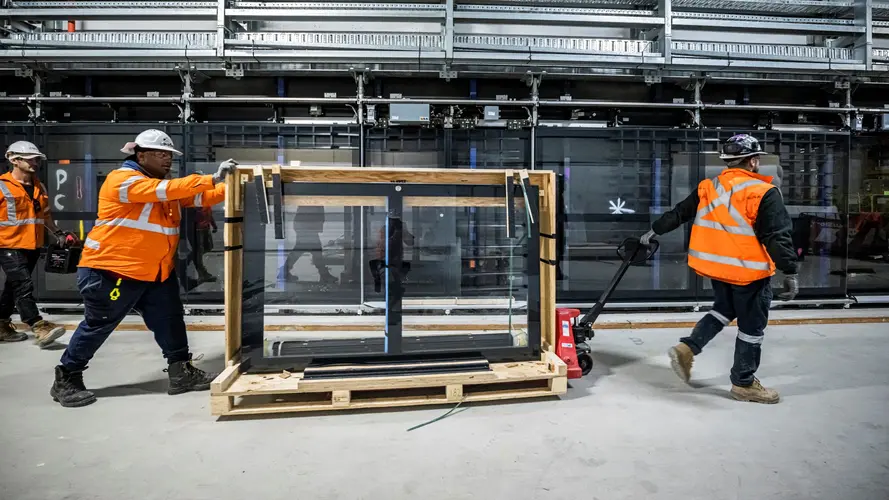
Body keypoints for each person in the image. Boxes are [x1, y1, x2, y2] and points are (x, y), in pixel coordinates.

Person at [49, 129, 238, 408]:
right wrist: (211, 177)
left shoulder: (163, 186)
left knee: (170, 319)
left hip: (154, 272)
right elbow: (164, 191)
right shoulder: (123, 181)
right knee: (99, 325)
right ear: (140, 154)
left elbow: (198, 198)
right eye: (161, 155)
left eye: (169, 156)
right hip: (112, 271)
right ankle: (66, 377)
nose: (167, 160)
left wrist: (234, 187)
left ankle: (180, 372)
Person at [640, 134, 799, 404]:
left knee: (724, 309)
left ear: (727, 162)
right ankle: (744, 384)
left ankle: (688, 348)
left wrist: (653, 231)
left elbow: (680, 212)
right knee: (751, 328)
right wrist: (790, 272)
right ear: (754, 161)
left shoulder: (709, 187)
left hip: (717, 269)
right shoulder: (762, 191)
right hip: (750, 273)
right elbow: (777, 236)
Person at [1, 141, 78, 347]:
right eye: (30, 159)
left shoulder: (38, 186)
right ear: (14, 160)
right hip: (8, 244)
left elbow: (44, 216)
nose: (35, 163)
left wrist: (58, 233)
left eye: (36, 159)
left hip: (32, 245)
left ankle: (1, 324)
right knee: (24, 284)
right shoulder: (1, 185)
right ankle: (38, 325)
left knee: (13, 286)